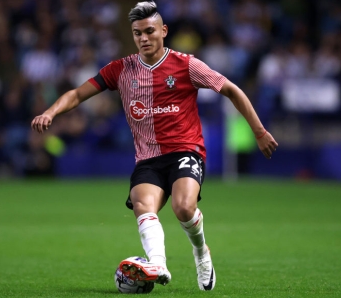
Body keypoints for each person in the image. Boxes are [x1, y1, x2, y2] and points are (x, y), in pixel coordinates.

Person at [31, 0, 278, 291]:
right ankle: (158, 264)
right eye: (137, 33)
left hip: (186, 151)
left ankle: (201, 251)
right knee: (142, 205)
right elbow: (76, 94)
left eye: (149, 31)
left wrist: (259, 131)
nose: (143, 38)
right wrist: (51, 112)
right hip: (148, 159)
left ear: (164, 30)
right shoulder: (121, 69)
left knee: (184, 208)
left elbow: (232, 90)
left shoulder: (187, 65)